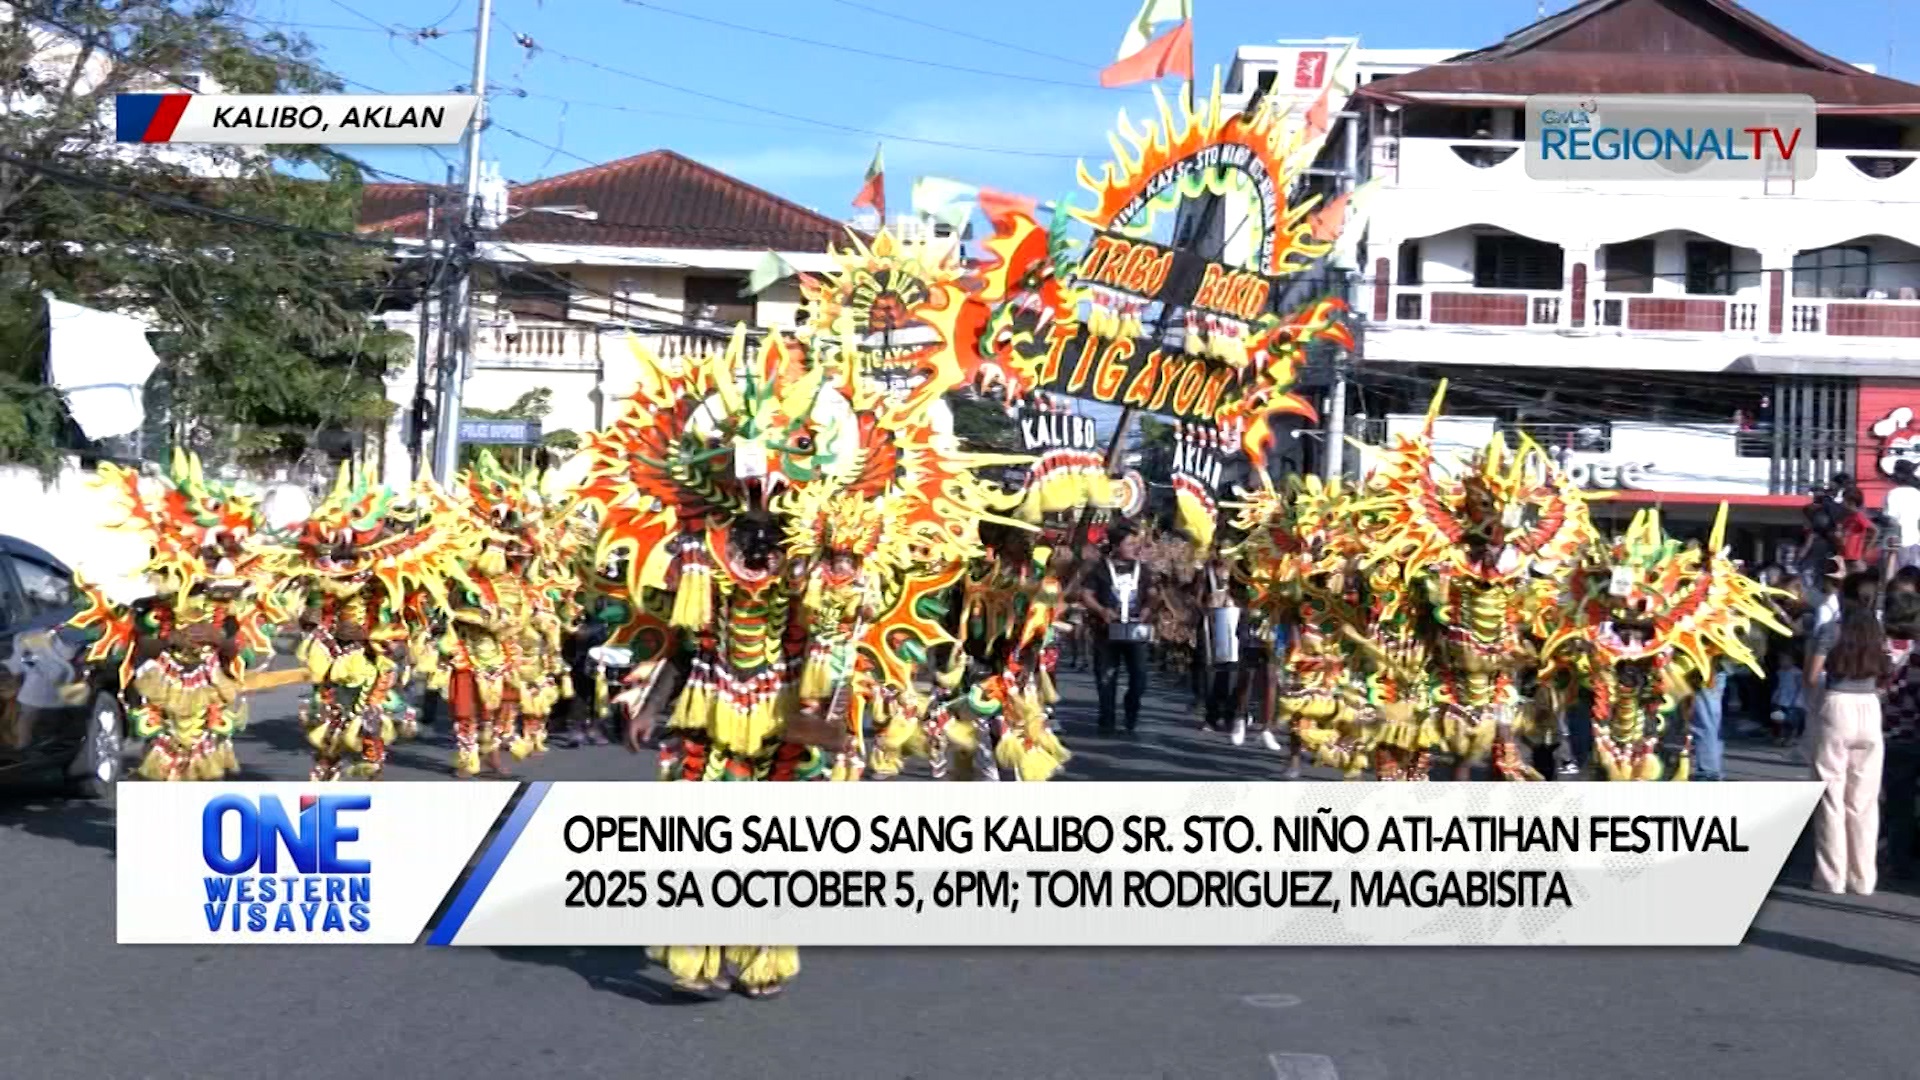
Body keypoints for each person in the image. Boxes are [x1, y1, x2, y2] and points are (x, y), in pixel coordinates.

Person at [1805, 573, 1888, 895]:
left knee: (1831, 795)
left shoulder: (1831, 630)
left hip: (1837, 704)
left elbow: (1812, 676)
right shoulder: (1876, 631)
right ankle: (1863, 877)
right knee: (1864, 799)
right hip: (1870, 706)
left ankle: (1831, 876)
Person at [1079, 525, 1156, 735]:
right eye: (1130, 544)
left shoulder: (1143, 570)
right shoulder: (1099, 569)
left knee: (1139, 678)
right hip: (1106, 632)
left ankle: (1131, 710)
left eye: (1136, 544)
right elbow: (1086, 595)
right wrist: (1101, 610)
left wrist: (1148, 609)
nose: (1135, 548)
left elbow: (1152, 594)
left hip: (1135, 630)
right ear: (1115, 546)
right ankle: (1107, 720)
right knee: (1106, 677)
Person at [1885, 460, 1920, 573]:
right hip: (1915, 540)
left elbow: (1891, 519)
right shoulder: (1917, 493)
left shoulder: (1893, 494)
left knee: (1897, 576)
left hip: (1897, 541)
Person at [1835, 486, 1878, 573]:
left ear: (1851, 502)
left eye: (1844, 500)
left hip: (1855, 558)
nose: (1842, 503)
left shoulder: (1858, 516)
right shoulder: (1847, 518)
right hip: (1846, 556)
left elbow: (1874, 530)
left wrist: (1866, 549)